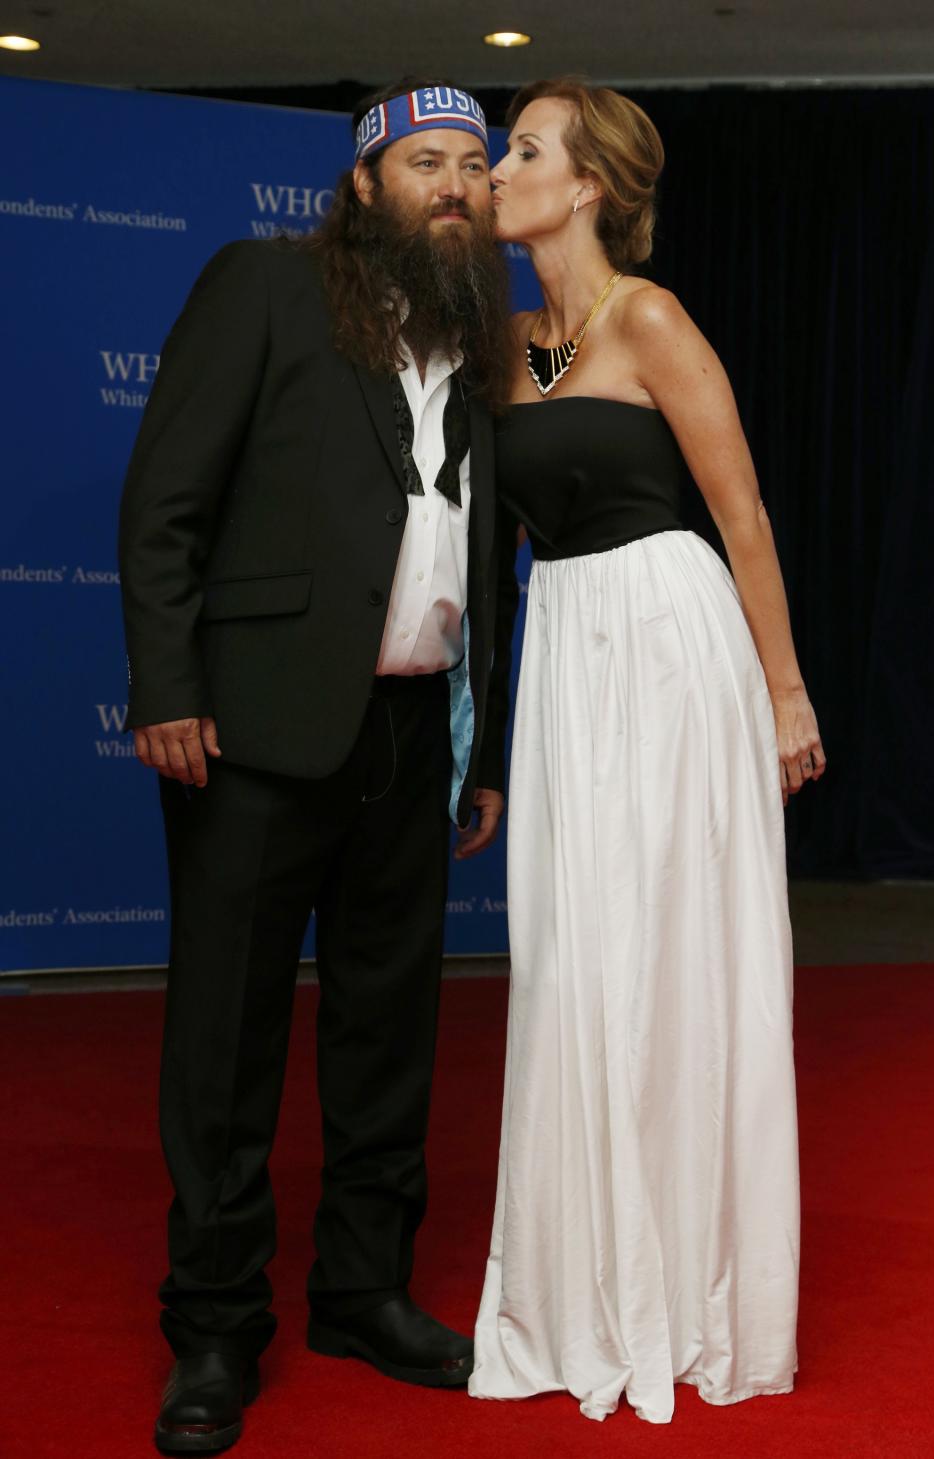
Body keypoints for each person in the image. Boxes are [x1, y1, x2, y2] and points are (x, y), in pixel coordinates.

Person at [118, 79, 514, 1454]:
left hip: (413, 741)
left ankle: (362, 1291)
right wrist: (167, 687)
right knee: (226, 1045)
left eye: (473, 162)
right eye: (424, 162)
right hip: (256, 730)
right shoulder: (264, 291)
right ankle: (217, 1329)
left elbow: (489, 561)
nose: (454, 184)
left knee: (386, 1036)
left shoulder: (482, 338)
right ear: (364, 186)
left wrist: (489, 749)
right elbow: (165, 499)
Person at [469, 79, 826, 1425]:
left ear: (591, 188)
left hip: (671, 650)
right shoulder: (515, 344)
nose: (502, 169)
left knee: (672, 966)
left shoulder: (650, 319)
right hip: (566, 659)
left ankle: (691, 1290)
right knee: (577, 965)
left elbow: (742, 520)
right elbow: (497, 555)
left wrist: (786, 698)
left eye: (526, 152)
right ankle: (590, 1287)